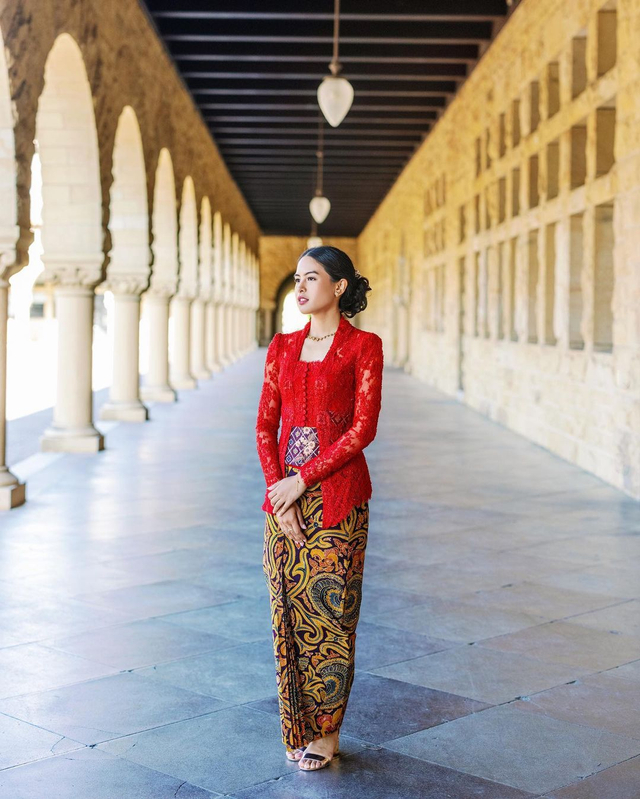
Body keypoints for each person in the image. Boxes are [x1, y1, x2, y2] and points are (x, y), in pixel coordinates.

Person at [255, 245, 384, 772]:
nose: (301, 287)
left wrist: (301, 480)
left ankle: (327, 734)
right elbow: (265, 426)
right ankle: (297, 726)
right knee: (286, 615)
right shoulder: (282, 347)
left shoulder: (364, 348)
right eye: (296, 278)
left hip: (338, 504)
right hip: (282, 510)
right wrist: (277, 491)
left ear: (339, 287)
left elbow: (362, 430)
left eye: (312, 278)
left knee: (331, 618)